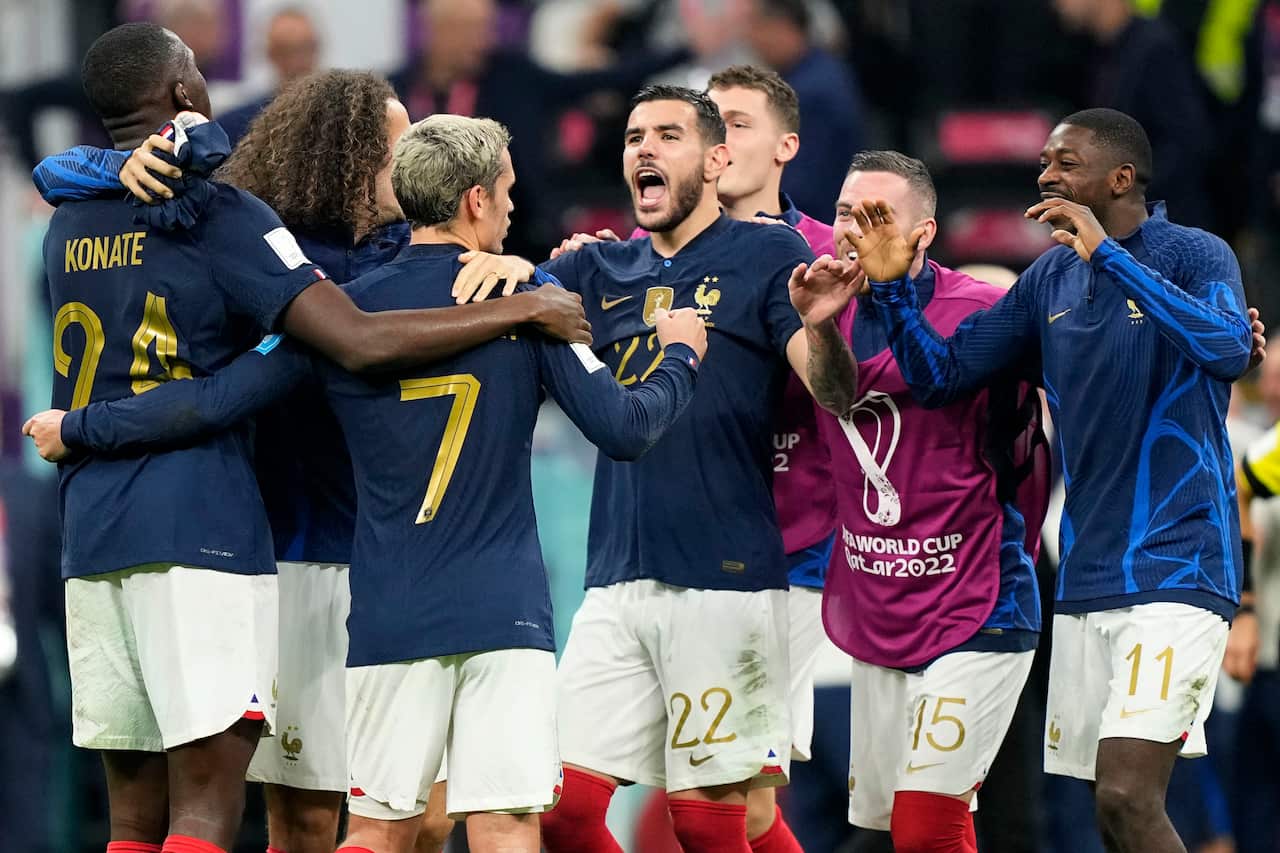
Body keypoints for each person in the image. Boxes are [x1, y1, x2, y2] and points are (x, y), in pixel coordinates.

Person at [26, 23, 587, 853]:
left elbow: (83, 174)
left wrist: (535, 271)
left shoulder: (430, 262)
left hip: (378, 569)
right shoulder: (285, 255)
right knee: (300, 820)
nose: (420, 162)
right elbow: (326, 347)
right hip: (287, 555)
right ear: (356, 157)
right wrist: (525, 301)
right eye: (402, 146)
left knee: (412, 817)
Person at [839, 107, 1252, 853]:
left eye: (1065, 163)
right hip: (1089, 573)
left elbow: (1226, 347)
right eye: (1045, 163)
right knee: (1109, 808)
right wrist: (897, 289)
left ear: (1121, 177)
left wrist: (1110, 258)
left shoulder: (1196, 253)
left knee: (1130, 795)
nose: (1046, 175)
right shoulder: (1046, 281)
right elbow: (942, 377)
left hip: (1182, 561)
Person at [532, 84, 858, 853]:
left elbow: (834, 393)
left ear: (715, 160)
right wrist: (503, 278)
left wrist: (825, 328)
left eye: (668, 135)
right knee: (560, 810)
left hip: (726, 573)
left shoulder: (769, 252)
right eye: (634, 135)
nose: (644, 147)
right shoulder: (597, 270)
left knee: (710, 821)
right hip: (613, 573)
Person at [789, 149, 1048, 853]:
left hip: (980, 602)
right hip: (881, 609)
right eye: (845, 214)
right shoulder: (818, 310)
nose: (855, 232)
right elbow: (836, 398)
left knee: (928, 824)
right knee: (883, 832)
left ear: (924, 233)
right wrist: (816, 325)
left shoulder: (983, 308)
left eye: (877, 218)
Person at [744, 0, 865, 218]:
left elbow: (801, 187)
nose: (753, 40)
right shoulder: (824, 68)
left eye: (757, 29)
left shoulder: (809, 92)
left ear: (781, 28)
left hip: (817, 224)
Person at [217, 7, 321, 146]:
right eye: (285, 50)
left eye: (304, 49)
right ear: (270, 54)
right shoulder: (237, 126)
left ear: (316, 50)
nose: (297, 62)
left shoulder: (340, 119)